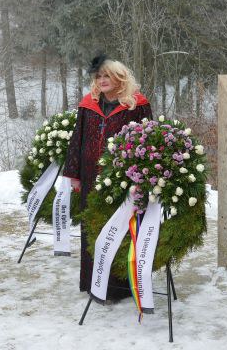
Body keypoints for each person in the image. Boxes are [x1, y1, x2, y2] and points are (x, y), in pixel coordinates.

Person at [64, 54, 153, 301]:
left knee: (118, 228)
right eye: (99, 76)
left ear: (119, 78)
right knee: (92, 226)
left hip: (121, 179)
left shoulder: (137, 105)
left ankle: (117, 287)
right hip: (90, 176)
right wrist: (74, 174)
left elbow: (147, 139)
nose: (102, 80)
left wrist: (141, 177)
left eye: (107, 76)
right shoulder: (88, 104)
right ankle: (93, 282)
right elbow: (77, 139)